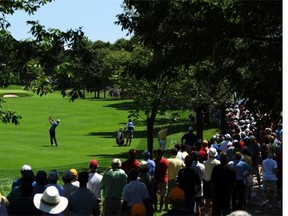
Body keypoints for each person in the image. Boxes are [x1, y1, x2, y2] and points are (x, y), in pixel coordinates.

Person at [202, 147, 220, 215]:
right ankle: (213, 212)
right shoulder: (218, 163)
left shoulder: (204, 162)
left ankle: (206, 213)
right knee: (214, 199)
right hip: (215, 183)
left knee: (207, 199)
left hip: (206, 182)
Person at [154, 148, 169, 212]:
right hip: (164, 179)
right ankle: (160, 209)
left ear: (157, 153)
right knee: (163, 195)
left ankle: (155, 208)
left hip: (157, 180)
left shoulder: (155, 161)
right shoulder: (166, 161)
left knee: (155, 194)